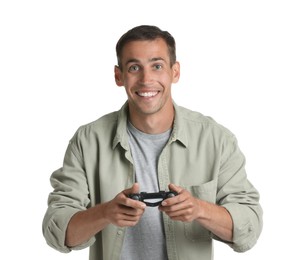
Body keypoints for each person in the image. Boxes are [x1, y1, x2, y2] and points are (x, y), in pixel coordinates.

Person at [42, 25, 263, 260]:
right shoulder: (87, 141)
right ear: (119, 76)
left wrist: (199, 209)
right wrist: (105, 213)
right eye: (134, 67)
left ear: (175, 72)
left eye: (157, 66)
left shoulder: (216, 140)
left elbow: (248, 228)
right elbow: (56, 230)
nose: (146, 79)